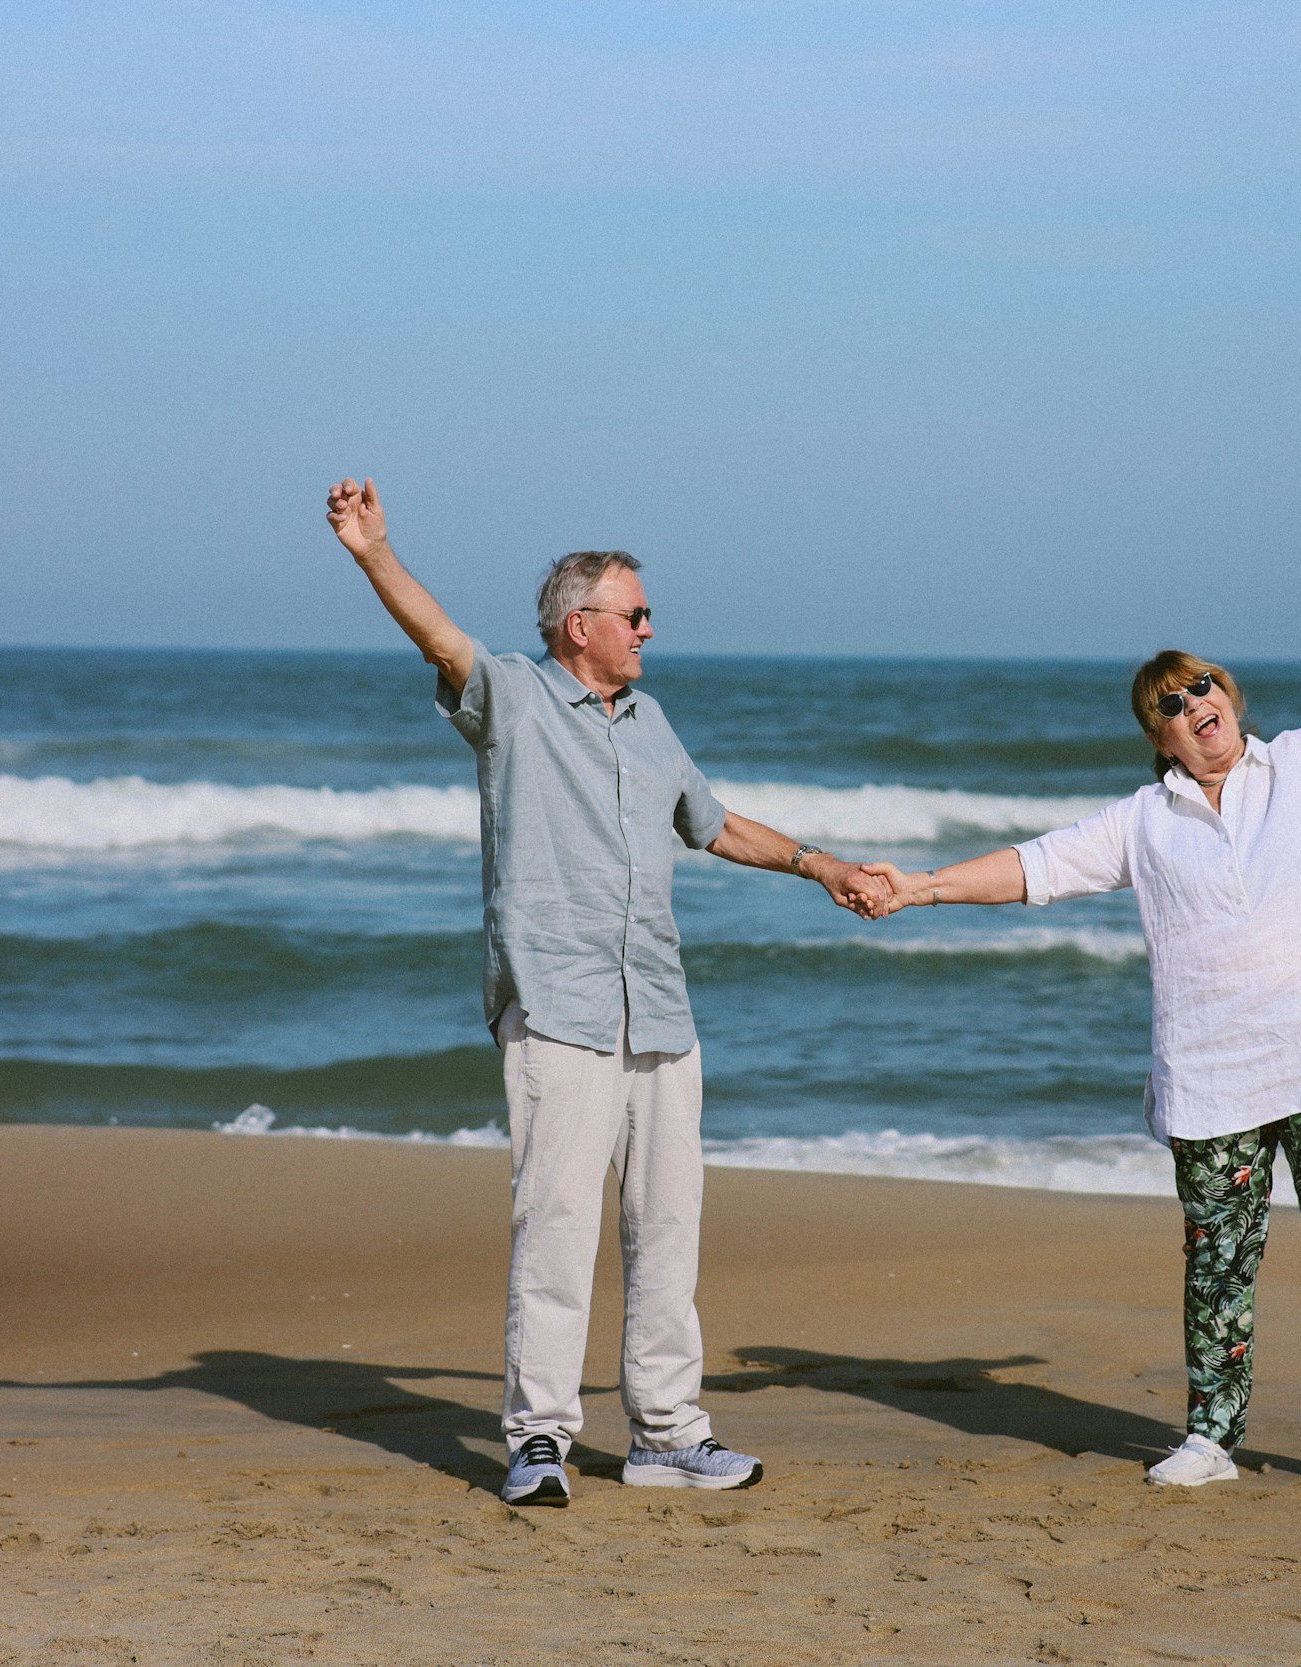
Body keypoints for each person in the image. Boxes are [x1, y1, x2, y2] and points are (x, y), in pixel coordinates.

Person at [858, 580, 1301, 1510]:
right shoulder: (1143, 822)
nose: (1195, 707)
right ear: (1158, 736)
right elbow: (1034, 865)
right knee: (1217, 1266)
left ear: (1230, 698)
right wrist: (919, 888)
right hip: (1214, 1078)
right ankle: (1210, 1435)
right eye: (1172, 704)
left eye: (1204, 689)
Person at [325, 476, 889, 1507]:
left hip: (660, 1010)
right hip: (558, 1002)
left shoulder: (651, 721)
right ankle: (537, 1437)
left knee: (667, 1228)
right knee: (554, 1226)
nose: (649, 630)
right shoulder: (513, 699)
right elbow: (439, 638)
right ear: (577, 624)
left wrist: (822, 865)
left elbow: (713, 824)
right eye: (634, 615)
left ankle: (668, 1435)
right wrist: (374, 553)